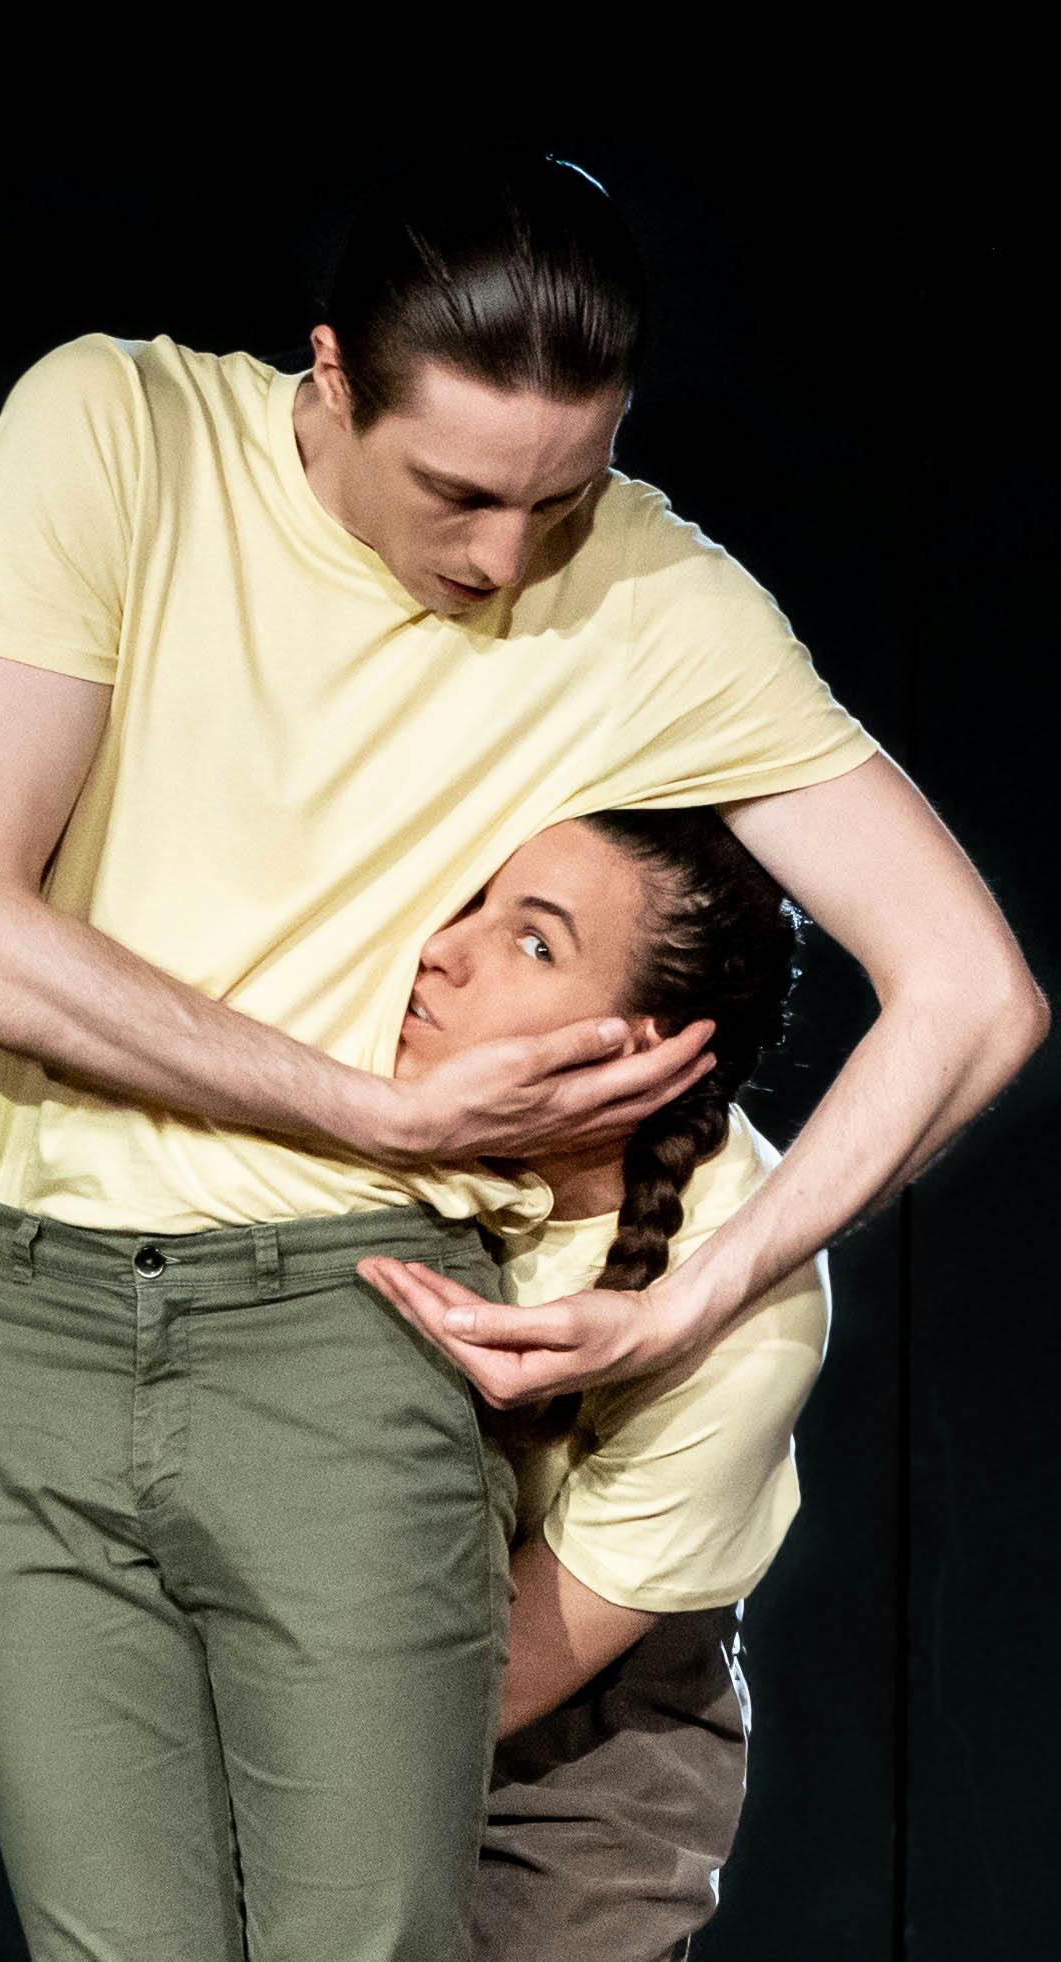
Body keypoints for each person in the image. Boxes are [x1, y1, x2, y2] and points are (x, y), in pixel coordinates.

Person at [0, 147, 1047, 1961]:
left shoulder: (654, 595)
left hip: (341, 1317)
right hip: (25, 1310)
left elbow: (974, 991)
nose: (503, 557)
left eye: (559, 497)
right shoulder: (114, 432)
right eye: (458, 490)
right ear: (330, 371)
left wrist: (699, 1293)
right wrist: (371, 1098)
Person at [380, 804, 826, 1959]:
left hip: (580, 1728)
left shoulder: (747, 1295)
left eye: (534, 943)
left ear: (639, 1048)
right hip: (366, 1653)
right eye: (472, 899)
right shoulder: (381, 1064)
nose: (444, 950)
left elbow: (515, 1670)